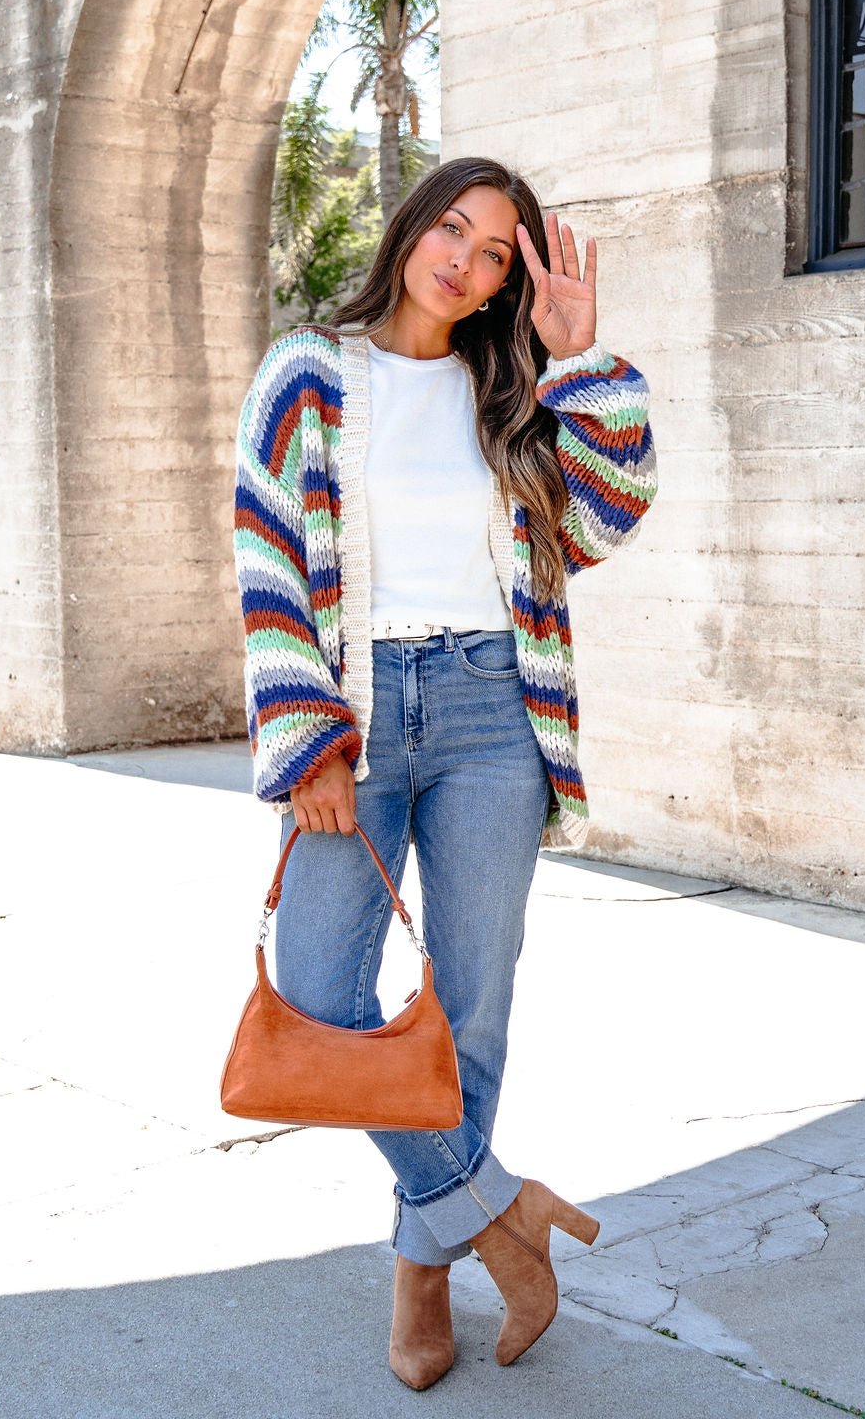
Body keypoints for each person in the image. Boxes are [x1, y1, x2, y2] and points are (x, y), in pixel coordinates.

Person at [232, 156, 657, 1388]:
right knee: (318, 990)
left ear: (501, 284)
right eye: (452, 231)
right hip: (354, 712)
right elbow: (264, 553)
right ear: (412, 226)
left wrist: (576, 356)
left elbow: (606, 517)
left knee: (467, 1011)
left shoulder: (508, 389)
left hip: (490, 714)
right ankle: (499, 1214)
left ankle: (425, 1279)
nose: (463, 261)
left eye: (492, 255)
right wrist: (305, 730)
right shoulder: (306, 369)